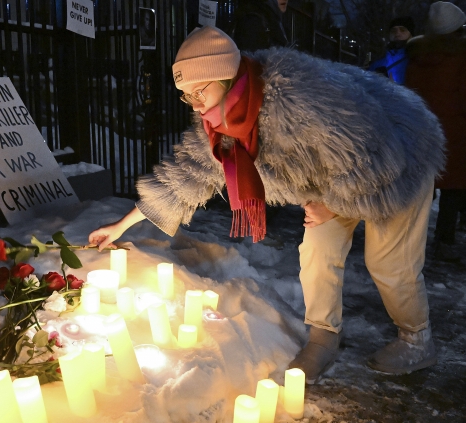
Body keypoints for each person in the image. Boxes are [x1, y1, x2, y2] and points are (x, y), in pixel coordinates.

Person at [89, 26, 445, 382]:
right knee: (318, 250)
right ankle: (324, 336)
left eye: (200, 90)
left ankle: (417, 339)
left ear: (226, 76)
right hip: (331, 178)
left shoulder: (297, 96)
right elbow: (186, 176)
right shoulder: (219, 123)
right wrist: (121, 225)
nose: (196, 104)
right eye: (186, 95)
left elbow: (372, 150)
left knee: (388, 263)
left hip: (399, 155)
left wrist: (333, 207)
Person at [406, 2, 466, 262]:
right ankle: (444, 241)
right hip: (455, 132)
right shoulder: (462, 57)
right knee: (453, 190)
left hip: (423, 130)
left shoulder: (417, 55)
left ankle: (409, 240)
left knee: (422, 189)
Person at [368, 17, 415, 84]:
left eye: (402, 30)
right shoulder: (377, 63)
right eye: (393, 30)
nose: (397, 33)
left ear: (411, 34)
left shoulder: (418, 58)